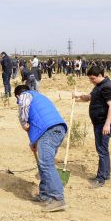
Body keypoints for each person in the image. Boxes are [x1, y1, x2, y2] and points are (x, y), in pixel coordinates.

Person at [14, 84, 67, 212]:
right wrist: (34, 142)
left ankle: (57, 199)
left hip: (49, 131)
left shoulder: (25, 95)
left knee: (46, 164)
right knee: (43, 164)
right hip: (55, 129)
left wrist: (23, 123)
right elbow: (40, 120)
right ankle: (44, 195)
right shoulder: (40, 97)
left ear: (17, 95)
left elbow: (24, 107)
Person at [74, 65, 111, 188]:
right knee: (103, 149)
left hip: (104, 124)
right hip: (99, 123)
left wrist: (107, 124)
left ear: (100, 75)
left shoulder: (107, 87)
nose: (91, 81)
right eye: (90, 79)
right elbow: (90, 97)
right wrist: (78, 97)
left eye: (93, 78)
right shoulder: (99, 86)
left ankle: (100, 179)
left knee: (101, 150)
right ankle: (106, 173)